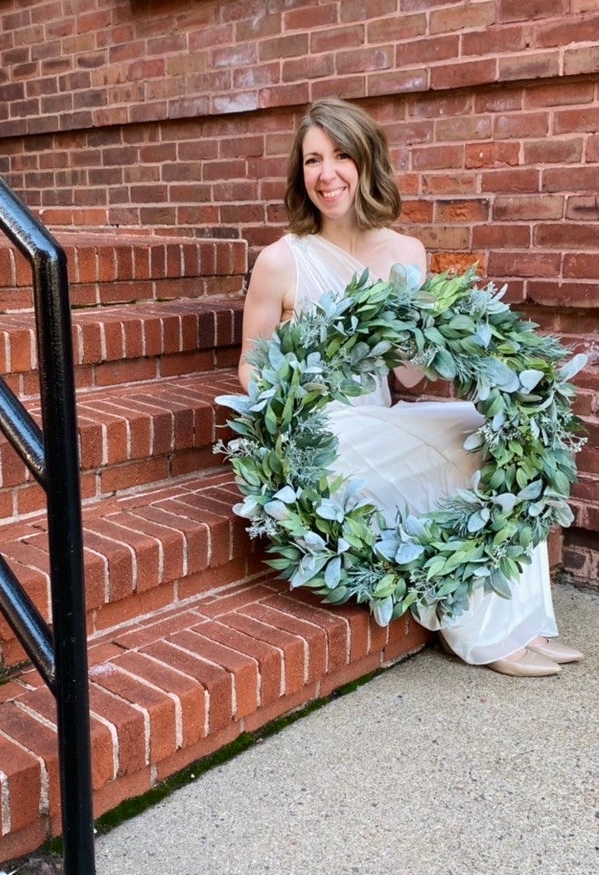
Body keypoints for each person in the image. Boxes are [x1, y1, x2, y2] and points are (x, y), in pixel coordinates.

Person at [238, 97, 583, 677]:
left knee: (496, 434)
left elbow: (407, 378)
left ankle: (523, 628)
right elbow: (250, 364)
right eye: (312, 160)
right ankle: (492, 639)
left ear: (366, 161)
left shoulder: (406, 253)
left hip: (379, 422)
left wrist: (429, 334)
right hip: (321, 433)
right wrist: (288, 405)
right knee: (470, 442)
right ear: (300, 175)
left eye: (341, 156)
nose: (327, 174)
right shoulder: (281, 260)